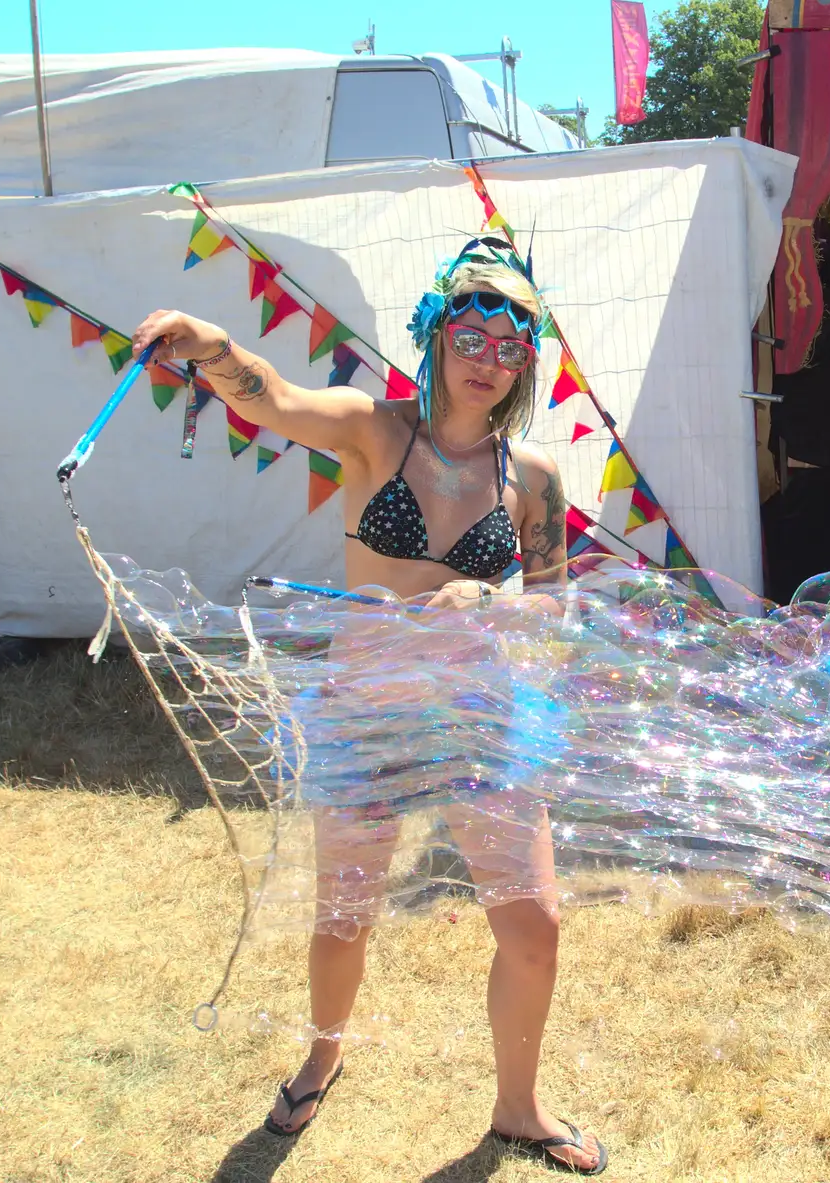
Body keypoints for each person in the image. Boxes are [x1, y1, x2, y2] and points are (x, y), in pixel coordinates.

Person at [128, 248, 610, 1174]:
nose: (489, 356)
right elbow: (270, 396)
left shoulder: (535, 475)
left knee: (534, 926)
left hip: (480, 718)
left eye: (511, 345)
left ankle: (518, 1107)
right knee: (343, 918)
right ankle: (323, 1054)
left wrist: (496, 602)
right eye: (470, 332)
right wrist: (213, 343)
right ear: (435, 334)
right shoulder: (373, 431)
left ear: (524, 365)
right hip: (368, 717)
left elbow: (555, 605)